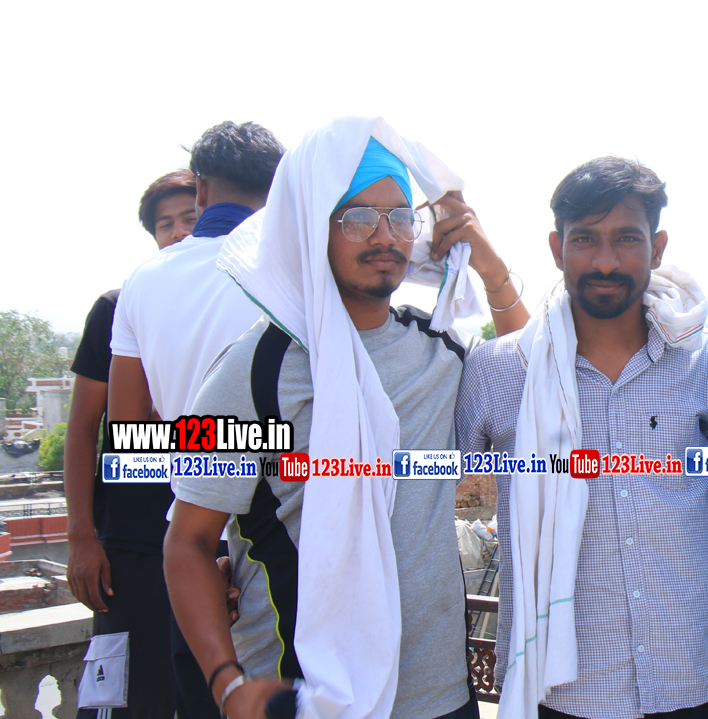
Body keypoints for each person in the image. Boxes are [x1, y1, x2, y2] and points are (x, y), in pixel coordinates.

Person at [164, 117, 529, 719]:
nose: (385, 237)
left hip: (441, 697)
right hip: (307, 696)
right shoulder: (249, 372)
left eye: (400, 217)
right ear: (312, 227)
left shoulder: (438, 352)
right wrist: (227, 683)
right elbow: (188, 541)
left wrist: (491, 271)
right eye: (358, 218)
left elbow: (527, 381)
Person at [456, 156, 708, 719]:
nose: (606, 261)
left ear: (658, 247)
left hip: (687, 684)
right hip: (557, 695)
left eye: (627, 238)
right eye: (585, 239)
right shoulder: (499, 370)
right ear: (557, 249)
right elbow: (433, 495)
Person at [108, 121, 284, 719]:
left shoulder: (143, 280)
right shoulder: (295, 269)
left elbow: (129, 436)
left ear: (201, 191)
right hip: (285, 534)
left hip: (193, 547)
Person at [65, 169, 197, 718]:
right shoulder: (118, 308)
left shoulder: (238, 307)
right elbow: (83, 428)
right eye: (166, 224)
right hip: (132, 548)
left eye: (191, 218)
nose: (179, 232)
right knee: (127, 700)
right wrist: (81, 537)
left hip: (216, 541)